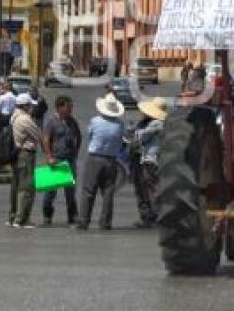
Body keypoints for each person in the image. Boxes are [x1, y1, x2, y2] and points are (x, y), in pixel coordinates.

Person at [76, 94, 125, 230]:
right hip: (111, 160)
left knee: (88, 190)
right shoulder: (120, 124)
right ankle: (105, 222)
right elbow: (121, 140)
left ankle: (84, 220)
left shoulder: (95, 121)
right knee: (108, 191)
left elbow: (90, 135)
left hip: (95, 158)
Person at [41, 96, 82, 226]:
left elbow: (79, 136)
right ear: (60, 107)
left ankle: (72, 215)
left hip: (69, 160)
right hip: (56, 160)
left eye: (71, 107)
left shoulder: (72, 121)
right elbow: (45, 140)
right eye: (68, 107)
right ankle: (47, 215)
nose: (71, 109)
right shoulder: (51, 122)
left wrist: (76, 151)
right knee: (50, 192)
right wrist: (49, 156)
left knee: (70, 192)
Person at [131, 97, 168, 228]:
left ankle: (155, 216)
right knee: (153, 188)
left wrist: (136, 133)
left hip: (150, 159)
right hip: (157, 159)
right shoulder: (164, 123)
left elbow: (141, 138)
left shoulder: (156, 124)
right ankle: (155, 215)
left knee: (151, 189)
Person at [8, 93, 42, 228]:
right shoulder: (25, 119)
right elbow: (38, 135)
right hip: (26, 154)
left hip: (16, 154)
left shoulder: (14, 116)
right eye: (30, 105)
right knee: (27, 187)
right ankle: (22, 218)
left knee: (15, 187)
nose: (32, 108)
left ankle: (12, 216)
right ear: (25, 106)